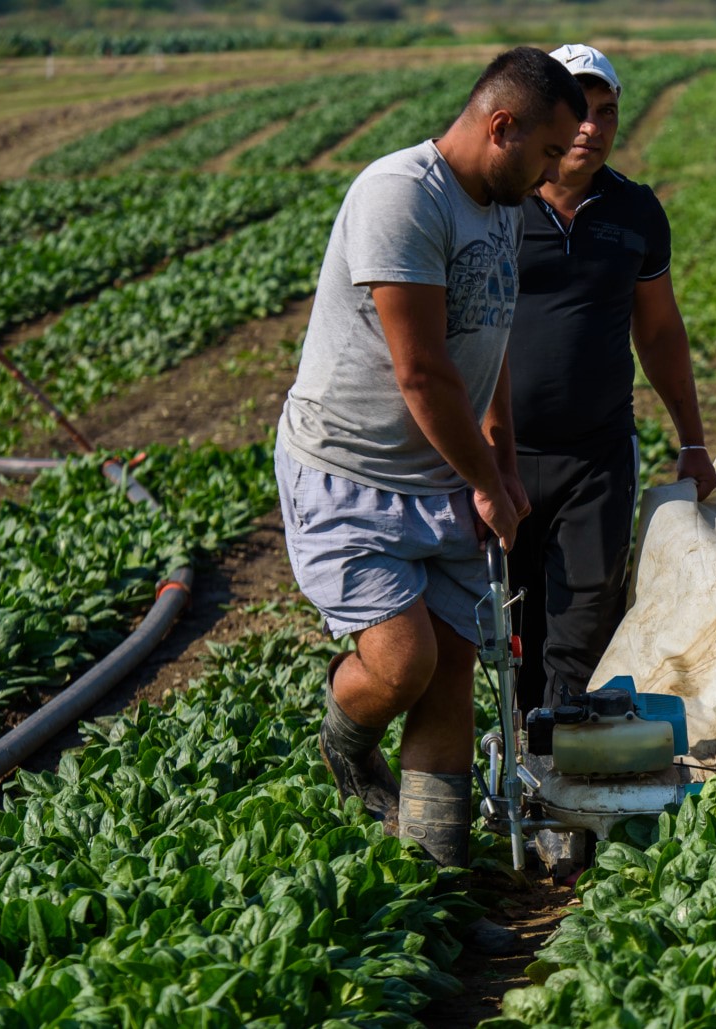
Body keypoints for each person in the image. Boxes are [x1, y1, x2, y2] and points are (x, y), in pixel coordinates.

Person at [275, 47, 586, 880]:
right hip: (349, 470)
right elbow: (421, 373)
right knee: (403, 661)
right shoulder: (400, 198)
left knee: (450, 674)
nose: (558, 171)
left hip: (440, 476)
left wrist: (506, 468)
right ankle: (345, 739)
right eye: (550, 152)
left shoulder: (505, 204)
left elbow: (488, 348)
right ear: (501, 126)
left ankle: (435, 880)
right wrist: (487, 481)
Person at [507, 44, 716, 714]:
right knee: (508, 625)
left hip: (595, 457)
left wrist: (693, 440)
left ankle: (561, 789)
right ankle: (514, 764)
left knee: (581, 629)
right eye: (580, 112)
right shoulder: (495, 209)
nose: (592, 127)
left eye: (607, 112)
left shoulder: (634, 213)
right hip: (498, 457)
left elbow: (657, 333)